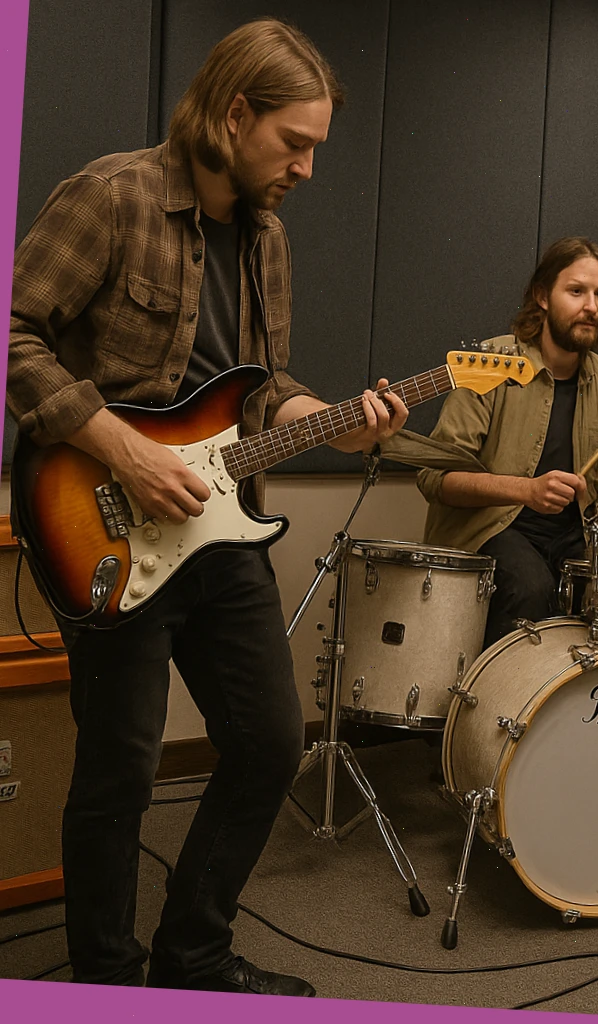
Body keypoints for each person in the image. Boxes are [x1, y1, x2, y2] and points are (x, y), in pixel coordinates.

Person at [6, 19, 407, 996]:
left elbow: (256, 386)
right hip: (100, 517)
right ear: (235, 116)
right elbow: (16, 334)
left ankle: (192, 955)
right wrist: (124, 450)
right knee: (120, 772)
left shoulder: (266, 240)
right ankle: (102, 981)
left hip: (222, 529)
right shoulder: (111, 198)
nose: (309, 168)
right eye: (294, 143)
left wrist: (335, 420)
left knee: (273, 740)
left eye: (316, 147)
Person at [417, 237, 598, 664]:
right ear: (542, 296)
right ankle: (504, 723)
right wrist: (526, 491)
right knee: (530, 586)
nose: (592, 307)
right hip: (491, 531)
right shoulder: (489, 363)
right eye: (577, 291)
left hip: (574, 537)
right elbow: (435, 478)